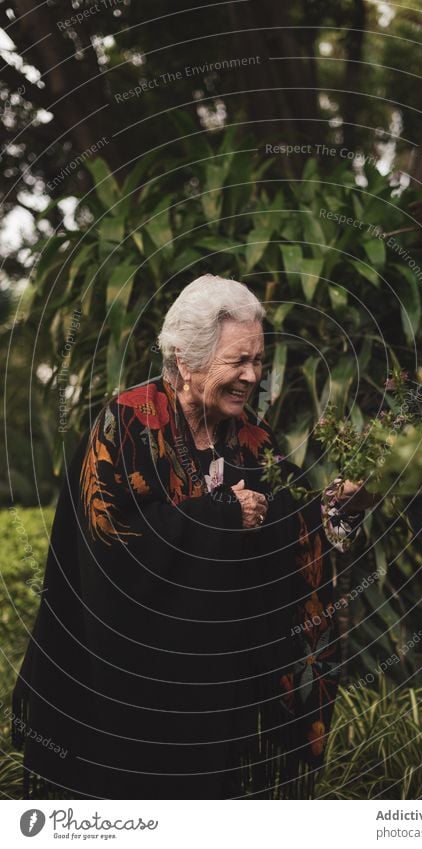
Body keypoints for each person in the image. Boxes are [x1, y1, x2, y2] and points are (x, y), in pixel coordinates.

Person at [12, 274, 375, 800]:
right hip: (125, 687)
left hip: (216, 692)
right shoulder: (127, 425)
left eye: (257, 361)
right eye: (238, 361)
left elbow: (287, 530)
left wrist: (334, 511)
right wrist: (225, 515)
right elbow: (115, 542)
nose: (253, 376)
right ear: (185, 360)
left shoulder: (253, 438)